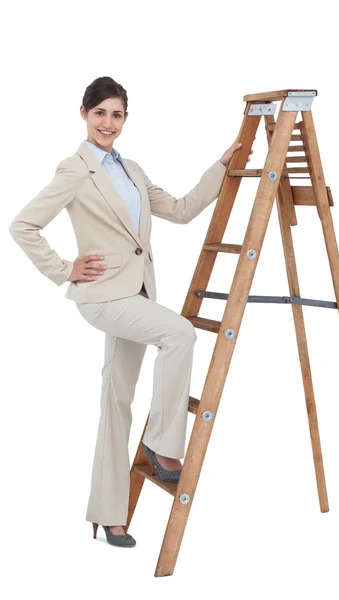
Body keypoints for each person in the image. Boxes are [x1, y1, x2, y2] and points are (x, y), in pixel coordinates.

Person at [8, 76, 251, 548]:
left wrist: (221, 167)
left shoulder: (132, 169)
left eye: (117, 115)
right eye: (100, 113)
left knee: (116, 401)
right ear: (83, 114)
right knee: (179, 334)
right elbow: (23, 225)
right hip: (103, 297)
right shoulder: (75, 169)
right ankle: (163, 446)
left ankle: (109, 515)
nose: (108, 123)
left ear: (125, 120)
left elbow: (181, 211)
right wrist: (64, 269)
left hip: (137, 294)